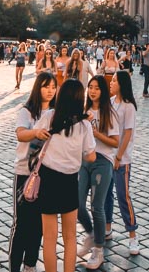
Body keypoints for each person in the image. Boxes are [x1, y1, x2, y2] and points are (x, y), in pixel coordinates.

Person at [37, 78, 96, 272]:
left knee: (50, 238)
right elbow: (91, 156)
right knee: (70, 237)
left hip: (48, 179)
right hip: (70, 181)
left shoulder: (49, 116)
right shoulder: (84, 126)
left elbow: (36, 136)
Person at [9, 72, 56, 272]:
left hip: (45, 174)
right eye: (46, 86)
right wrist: (36, 132)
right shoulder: (27, 112)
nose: (50, 91)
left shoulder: (55, 113)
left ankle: (30, 264)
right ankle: (14, 267)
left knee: (38, 224)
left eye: (53, 87)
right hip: (24, 172)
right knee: (21, 224)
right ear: (38, 88)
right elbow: (20, 134)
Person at [78, 75, 120, 269]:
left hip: (102, 161)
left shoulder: (109, 113)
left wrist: (95, 133)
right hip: (85, 160)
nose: (93, 91)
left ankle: (98, 249)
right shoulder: (84, 111)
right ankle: (91, 234)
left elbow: (115, 142)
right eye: (90, 87)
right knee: (76, 203)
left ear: (103, 91)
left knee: (97, 206)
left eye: (97, 88)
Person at [107, 70, 140, 255]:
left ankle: (133, 235)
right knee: (105, 195)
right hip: (107, 155)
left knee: (123, 196)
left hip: (122, 158)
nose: (110, 83)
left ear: (122, 84)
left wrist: (119, 156)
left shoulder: (129, 106)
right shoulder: (110, 102)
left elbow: (128, 133)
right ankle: (107, 228)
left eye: (114, 80)